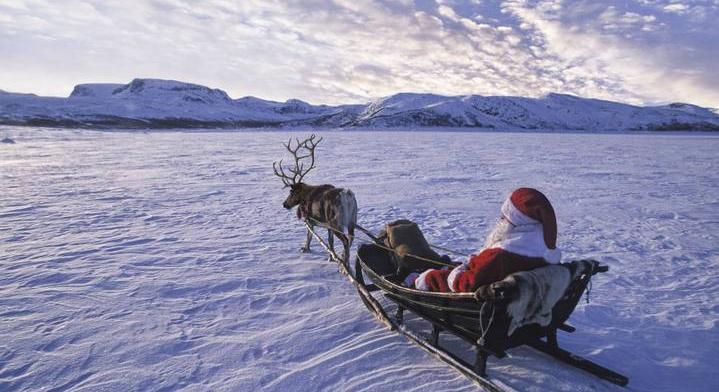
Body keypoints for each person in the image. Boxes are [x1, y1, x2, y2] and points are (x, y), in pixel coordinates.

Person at [406, 188, 562, 292]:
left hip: (478, 300)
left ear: (517, 220)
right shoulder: (543, 250)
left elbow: (467, 284)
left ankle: (413, 282)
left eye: (505, 216)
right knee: (449, 265)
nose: (501, 219)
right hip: (507, 290)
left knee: (430, 275)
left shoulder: (502, 255)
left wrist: (454, 273)